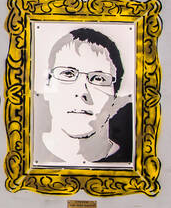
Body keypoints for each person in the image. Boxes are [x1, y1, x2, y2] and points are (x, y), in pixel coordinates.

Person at [35, 27, 132, 166]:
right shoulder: (25, 150)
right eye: (68, 74)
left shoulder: (132, 157)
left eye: (98, 78)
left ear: (115, 97)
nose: (82, 92)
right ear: (48, 87)